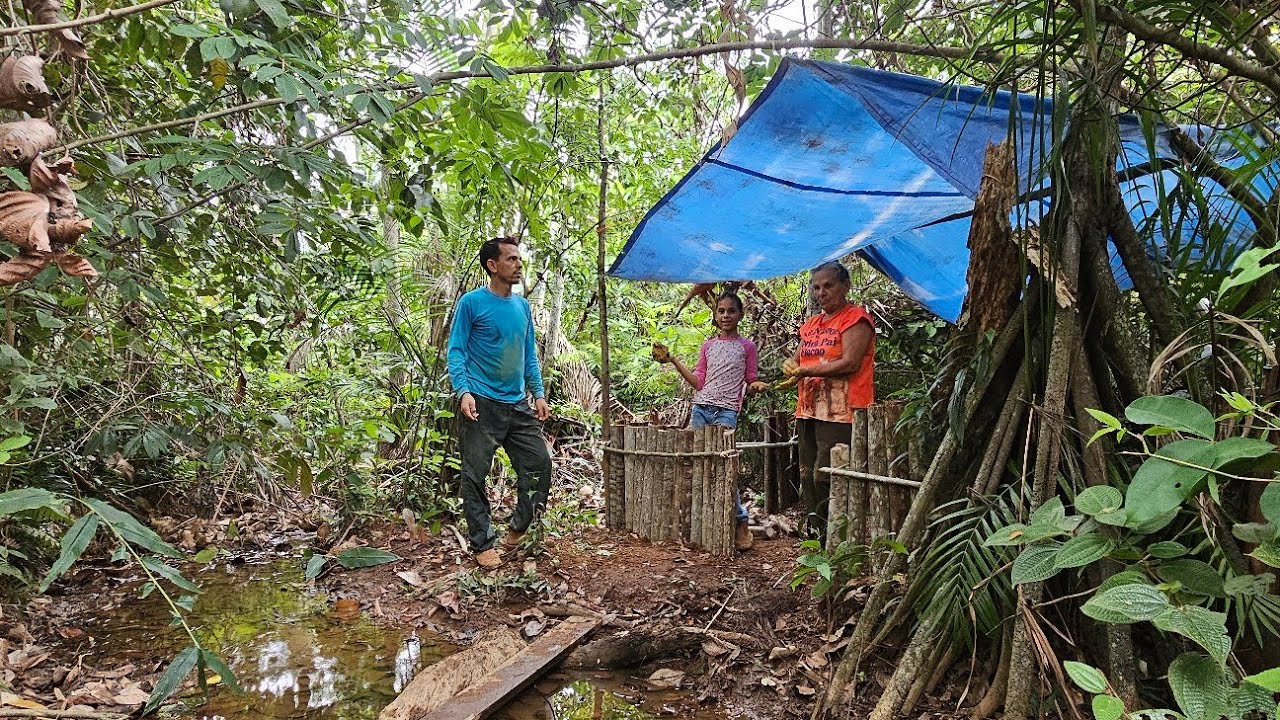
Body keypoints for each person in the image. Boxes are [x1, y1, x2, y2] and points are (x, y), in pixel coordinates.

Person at [447, 236, 552, 570]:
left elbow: (528, 355)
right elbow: (457, 351)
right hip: (481, 403)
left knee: (539, 464)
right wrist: (463, 391)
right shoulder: (472, 303)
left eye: (519, 259)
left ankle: (519, 530)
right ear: (492, 265)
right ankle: (482, 543)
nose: (518, 264)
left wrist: (537, 393)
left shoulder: (522, 306)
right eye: (511, 259)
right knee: (475, 474)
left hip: (516, 403)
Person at [653, 291, 768, 551]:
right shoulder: (708, 346)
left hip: (726, 412)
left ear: (740, 314)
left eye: (731, 311)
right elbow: (698, 382)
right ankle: (699, 524)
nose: (726, 315)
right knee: (697, 467)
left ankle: (740, 522)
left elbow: (751, 379)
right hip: (701, 409)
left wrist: (757, 385)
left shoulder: (746, 347)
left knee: (725, 469)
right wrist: (672, 360)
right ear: (715, 316)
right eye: (721, 311)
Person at [782, 261, 875, 541]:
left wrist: (806, 370)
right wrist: (790, 367)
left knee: (829, 475)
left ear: (845, 286)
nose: (821, 292)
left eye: (828, 285)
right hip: (809, 409)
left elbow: (849, 362)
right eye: (817, 287)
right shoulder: (811, 325)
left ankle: (839, 538)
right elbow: (797, 359)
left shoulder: (856, 319)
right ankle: (816, 537)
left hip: (842, 411)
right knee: (807, 473)